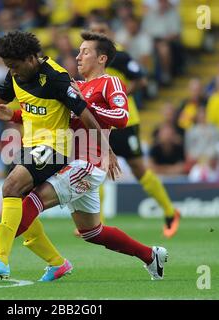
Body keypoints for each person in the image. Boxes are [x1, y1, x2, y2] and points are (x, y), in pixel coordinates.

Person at [0, 32, 168, 281]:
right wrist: (12, 116)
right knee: (92, 232)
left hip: (87, 162)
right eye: (79, 51)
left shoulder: (110, 83)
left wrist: (90, 113)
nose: (78, 56)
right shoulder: (75, 85)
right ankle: (151, 256)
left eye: (85, 51)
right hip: (69, 161)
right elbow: (53, 117)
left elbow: (121, 117)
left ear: (102, 58)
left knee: (29, 200)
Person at [88, 19, 180, 238]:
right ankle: (98, 224)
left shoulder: (118, 57)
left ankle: (170, 211)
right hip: (101, 122)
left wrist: (121, 94)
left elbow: (141, 78)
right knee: (95, 168)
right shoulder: (88, 58)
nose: (98, 35)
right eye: (94, 31)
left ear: (110, 33)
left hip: (125, 121)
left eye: (102, 30)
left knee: (138, 168)